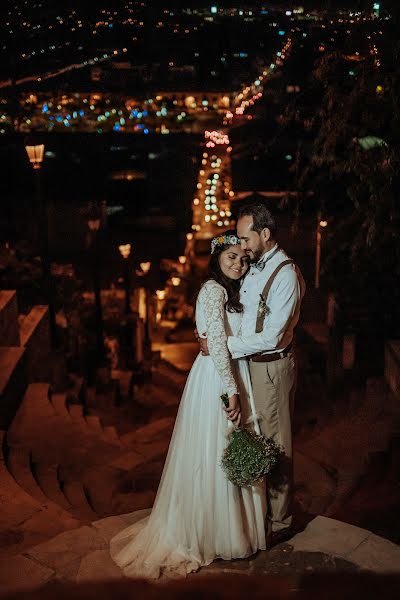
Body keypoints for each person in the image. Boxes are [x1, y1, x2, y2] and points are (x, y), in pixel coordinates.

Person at [110, 231, 267, 579]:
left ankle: (232, 528)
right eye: (231, 258)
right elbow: (217, 346)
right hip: (217, 378)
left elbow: (226, 340)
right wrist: (231, 391)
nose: (238, 264)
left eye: (243, 259)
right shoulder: (213, 291)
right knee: (215, 452)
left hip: (230, 372)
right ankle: (210, 532)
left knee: (227, 451)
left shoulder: (232, 291)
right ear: (216, 261)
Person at [200, 202, 305, 547]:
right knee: (257, 438)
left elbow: (272, 336)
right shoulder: (252, 267)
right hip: (247, 366)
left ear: (265, 234)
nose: (241, 248)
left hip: (269, 365)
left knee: (276, 442)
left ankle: (281, 520)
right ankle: (258, 512)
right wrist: (208, 331)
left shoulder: (285, 274)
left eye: (245, 239)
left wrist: (222, 344)